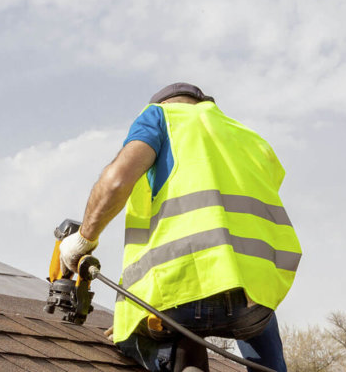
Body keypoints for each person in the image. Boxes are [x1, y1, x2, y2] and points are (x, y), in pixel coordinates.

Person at [58, 83, 301, 371]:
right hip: (253, 299)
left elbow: (115, 182)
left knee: (138, 332)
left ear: (165, 104)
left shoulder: (161, 117)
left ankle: (177, 364)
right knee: (259, 324)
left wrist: (83, 239)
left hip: (180, 293)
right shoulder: (248, 138)